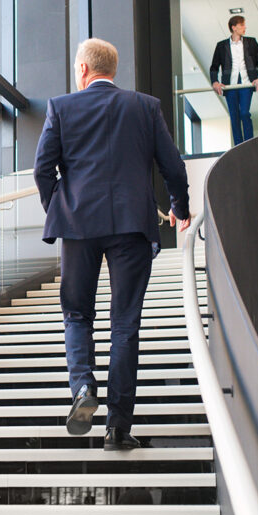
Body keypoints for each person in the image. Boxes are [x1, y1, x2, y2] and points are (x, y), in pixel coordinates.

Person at [33, 38, 191, 452]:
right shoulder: (145, 106)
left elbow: (42, 169)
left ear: (83, 69)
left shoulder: (61, 108)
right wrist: (180, 207)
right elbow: (172, 164)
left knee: (77, 314)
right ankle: (118, 425)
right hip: (131, 226)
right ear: (111, 70)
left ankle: (83, 386)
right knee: (125, 324)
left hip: (78, 226)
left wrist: (61, 209)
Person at [208, 15, 258, 145]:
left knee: (244, 113)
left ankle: (249, 143)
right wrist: (215, 82)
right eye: (242, 25)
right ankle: (238, 146)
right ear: (234, 28)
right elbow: (214, 66)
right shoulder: (221, 46)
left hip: (246, 83)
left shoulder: (251, 42)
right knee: (234, 117)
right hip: (230, 85)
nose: (245, 27)